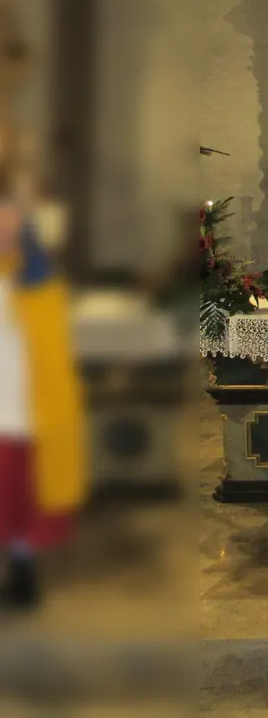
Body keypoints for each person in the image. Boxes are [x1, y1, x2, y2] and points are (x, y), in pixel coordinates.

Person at [0, 174, 86, 608]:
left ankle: (23, 571)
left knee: (18, 504)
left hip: (18, 409)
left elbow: (48, 347)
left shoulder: (35, 283)